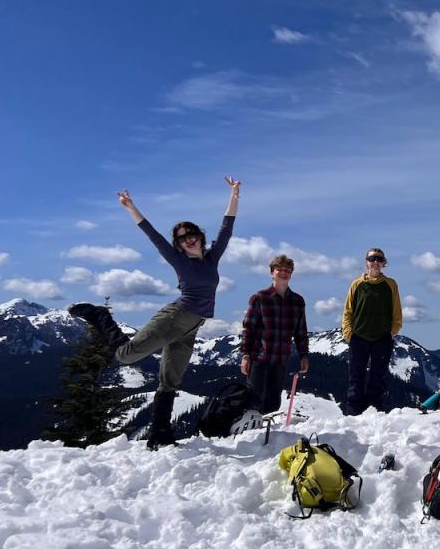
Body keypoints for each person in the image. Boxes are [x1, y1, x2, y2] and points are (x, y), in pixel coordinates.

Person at [68, 177, 240, 450]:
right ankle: (100, 316)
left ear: (199, 236)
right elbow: (153, 235)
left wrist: (234, 194)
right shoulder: (178, 260)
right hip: (174, 317)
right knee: (126, 356)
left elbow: (227, 228)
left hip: (191, 327)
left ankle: (160, 433)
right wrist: (130, 207)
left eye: (192, 233)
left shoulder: (211, 258)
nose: (189, 239)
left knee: (171, 380)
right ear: (179, 245)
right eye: (183, 238)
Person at [240, 254, 310, 414]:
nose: (284, 273)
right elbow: (248, 328)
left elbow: (301, 331)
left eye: (288, 270)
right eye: (280, 269)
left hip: (281, 360)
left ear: (291, 274)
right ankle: (250, 436)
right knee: (253, 402)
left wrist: (304, 355)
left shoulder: (298, 301)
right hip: (259, 358)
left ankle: (270, 437)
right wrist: (245, 356)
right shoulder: (259, 298)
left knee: (273, 403)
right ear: (272, 272)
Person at [341, 248, 402, 415]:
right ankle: (353, 414)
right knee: (356, 378)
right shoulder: (357, 284)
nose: (375, 261)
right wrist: (348, 333)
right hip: (358, 337)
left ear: (383, 263)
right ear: (366, 262)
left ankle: (375, 413)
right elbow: (348, 311)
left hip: (382, 338)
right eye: (372, 258)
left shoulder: (390, 284)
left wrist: (394, 330)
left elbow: (396, 309)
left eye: (379, 259)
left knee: (378, 378)